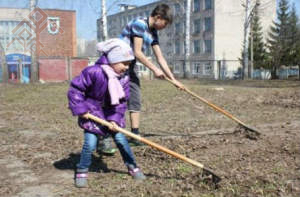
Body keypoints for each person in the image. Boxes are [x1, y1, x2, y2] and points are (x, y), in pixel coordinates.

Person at [67, 38, 146, 188]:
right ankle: (82, 169)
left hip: (111, 118)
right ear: (113, 59)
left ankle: (132, 166)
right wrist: (81, 108)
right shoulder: (93, 72)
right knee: (90, 144)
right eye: (124, 63)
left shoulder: (123, 79)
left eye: (129, 64)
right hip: (92, 116)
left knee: (122, 141)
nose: (126, 67)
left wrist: (115, 120)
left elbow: (122, 102)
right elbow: (76, 90)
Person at [120, 3, 185, 146]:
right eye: (165, 23)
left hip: (130, 66)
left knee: (135, 97)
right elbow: (137, 52)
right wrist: (154, 69)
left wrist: (174, 80)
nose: (165, 26)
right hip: (116, 64)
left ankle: (135, 136)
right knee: (114, 100)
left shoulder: (152, 32)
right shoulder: (139, 24)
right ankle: (103, 137)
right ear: (158, 17)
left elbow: (160, 58)